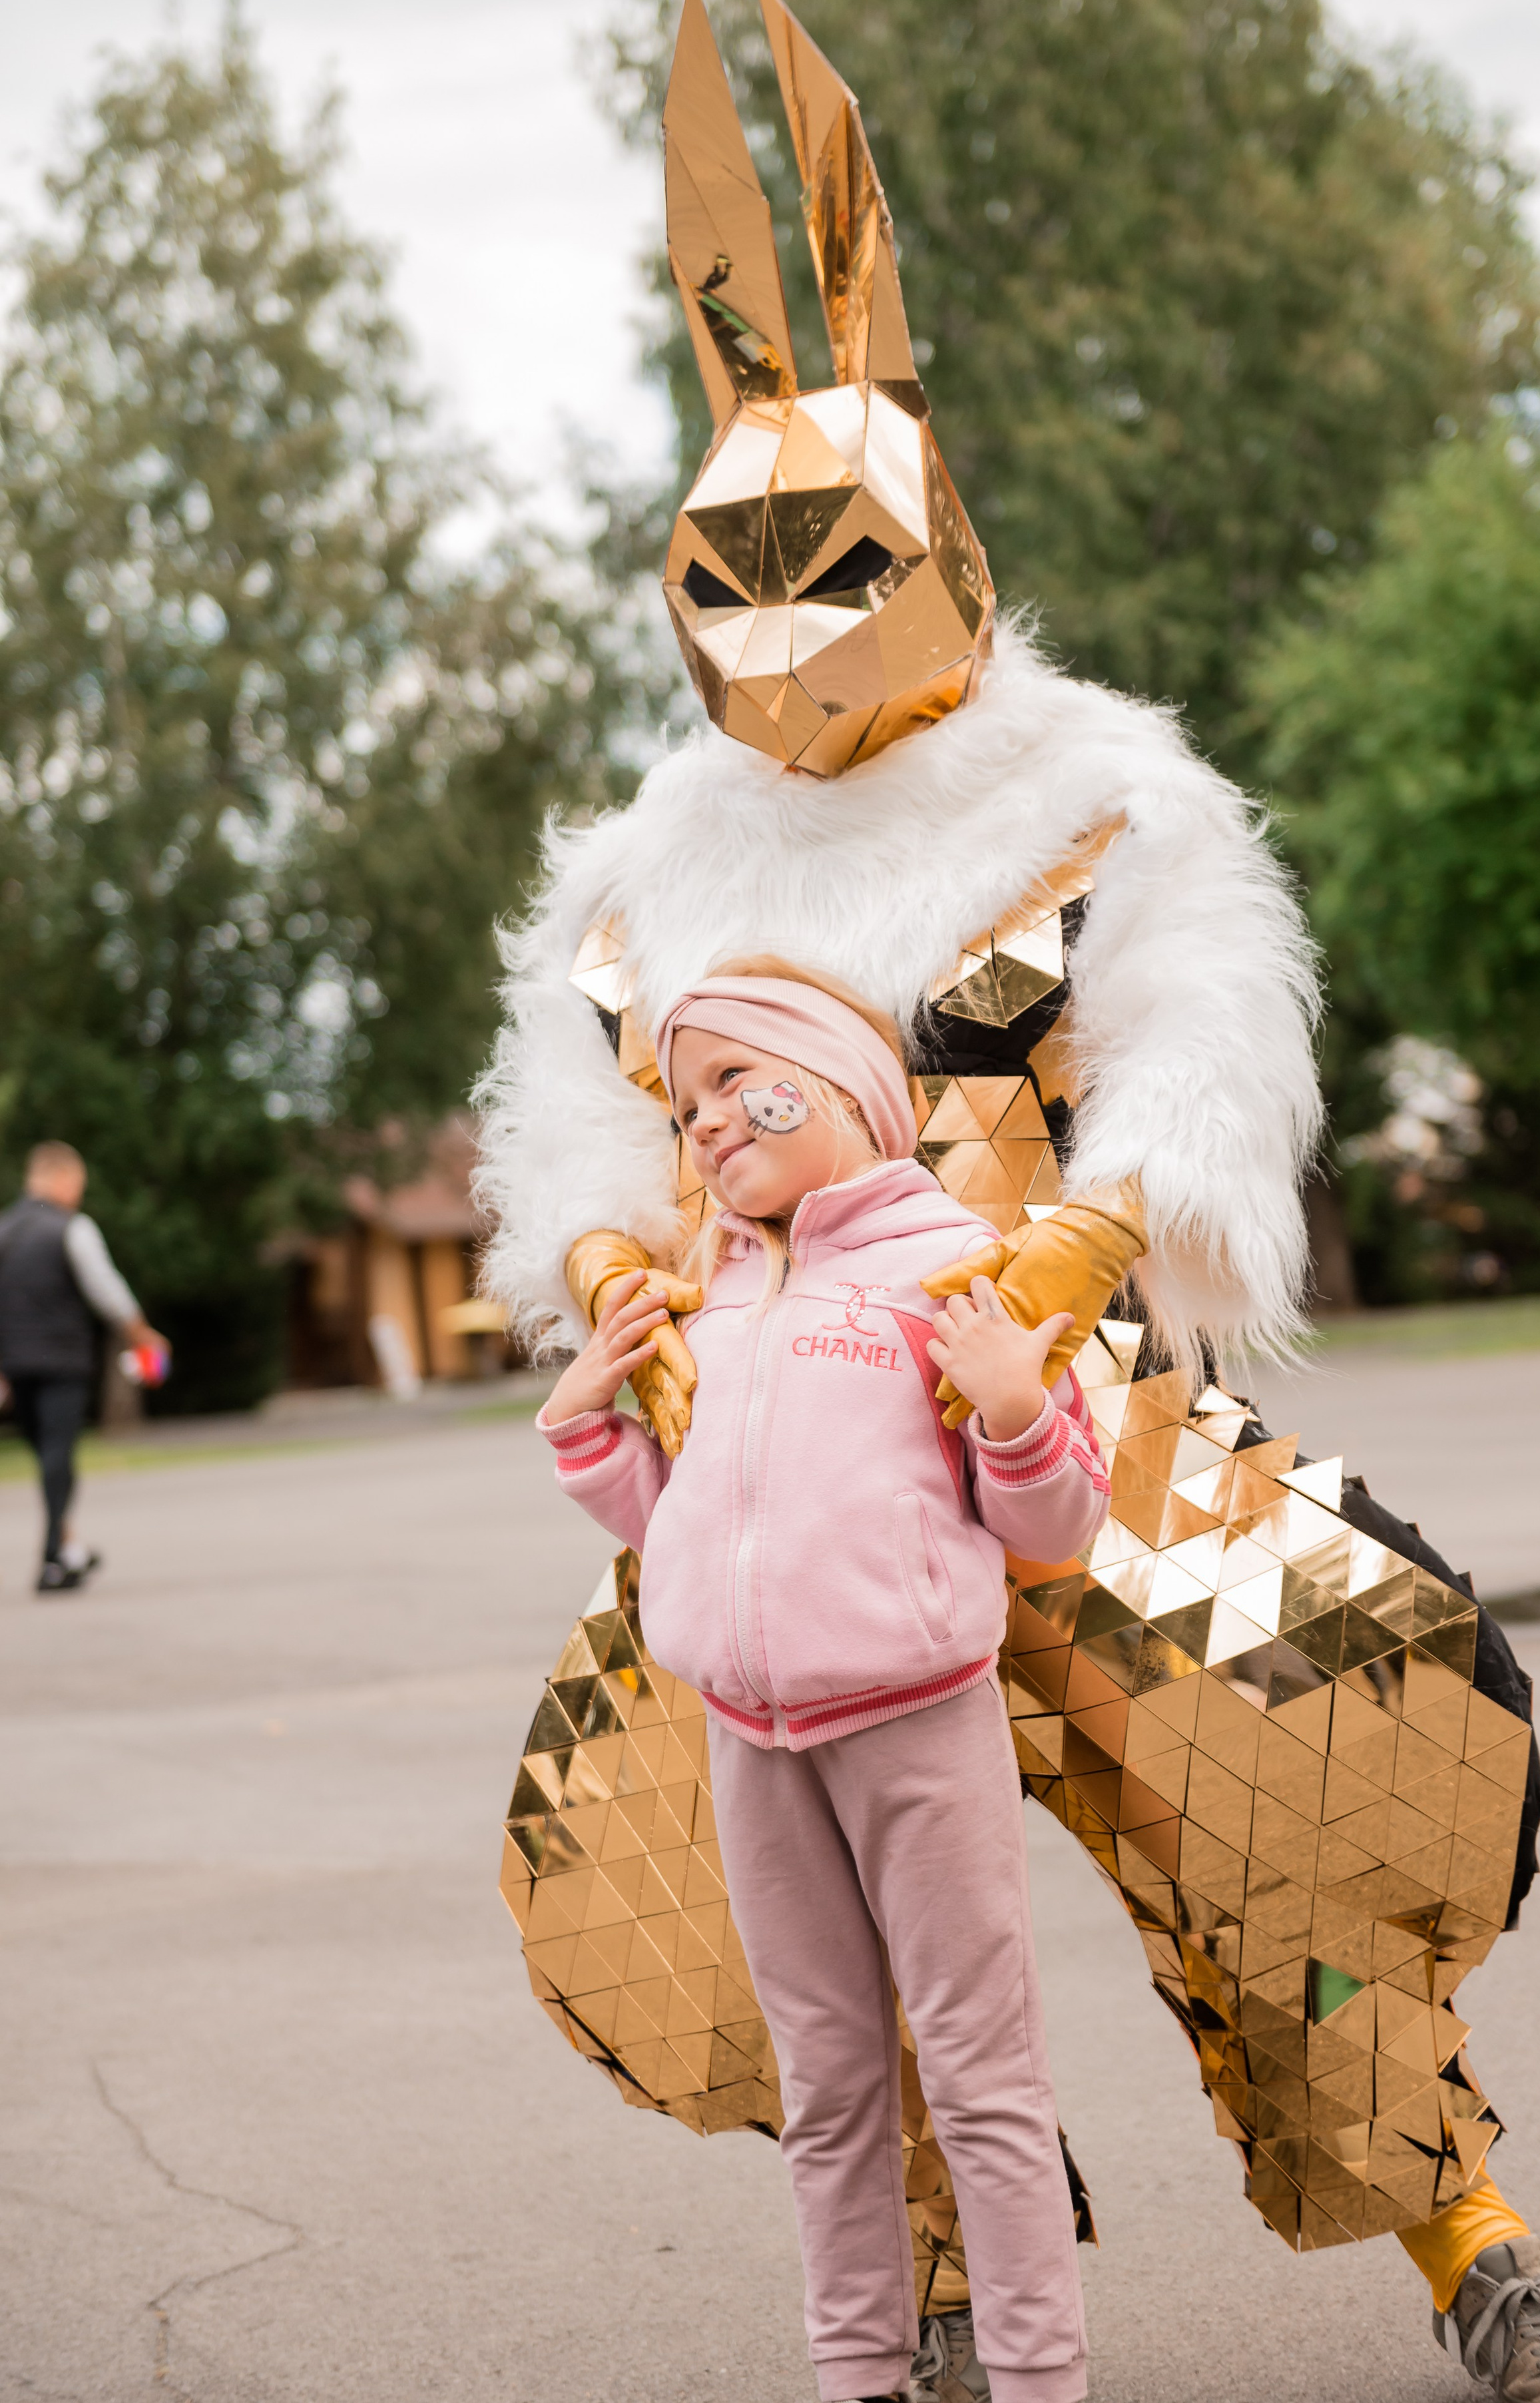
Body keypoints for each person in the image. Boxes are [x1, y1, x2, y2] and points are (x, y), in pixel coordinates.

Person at [482, 0, 1540, 2403]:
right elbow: (581, 1114)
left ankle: (1472, 2234)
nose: (787, 614)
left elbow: (1205, 1020)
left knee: (1286, 1797)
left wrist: (1098, 1233)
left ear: (934, 530)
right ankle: (910, 2294)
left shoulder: (1089, 791)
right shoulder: (654, 865)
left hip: (1059, 1427)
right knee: (776, 1925)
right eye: (735, 565)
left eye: (835, 549)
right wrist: (616, 1278)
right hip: (773, 1471)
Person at [538, 968, 1103, 2403]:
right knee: (830, 2094)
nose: (709, 1122)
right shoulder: (712, 1294)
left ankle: (1041, 2379)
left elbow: (1051, 1524)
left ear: (839, 1081)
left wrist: (1015, 1405)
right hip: (752, 1749)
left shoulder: (964, 1266)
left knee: (982, 2086)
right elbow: (692, 1528)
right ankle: (856, 2375)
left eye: (736, 1079)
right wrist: (585, 1429)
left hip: (919, 1736)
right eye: (685, 1104)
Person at [0, 1141, 166, 1593]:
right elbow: (105, 1287)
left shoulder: (4, 1229)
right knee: (59, 1455)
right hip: (61, 1360)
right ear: (63, 1178)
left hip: (14, 1364)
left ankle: (67, 1548)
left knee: (46, 1456)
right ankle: (54, 1555)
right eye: (79, 1185)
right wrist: (141, 1333)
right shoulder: (71, 1227)